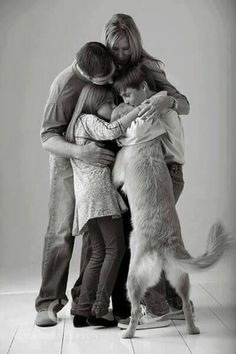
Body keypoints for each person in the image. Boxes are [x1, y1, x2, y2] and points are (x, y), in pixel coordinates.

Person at [71, 13, 190, 326]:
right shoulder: (104, 71)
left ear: (134, 44)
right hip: (123, 170)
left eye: (126, 48)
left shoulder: (145, 71)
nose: (121, 55)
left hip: (155, 170)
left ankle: (152, 306)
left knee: (143, 237)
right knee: (118, 236)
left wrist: (166, 100)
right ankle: (95, 304)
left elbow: (182, 104)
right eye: (116, 49)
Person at [35, 42, 118, 327]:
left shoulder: (98, 63)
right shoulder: (63, 88)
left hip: (94, 159)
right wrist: (83, 153)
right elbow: (47, 138)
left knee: (93, 227)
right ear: (87, 74)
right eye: (104, 80)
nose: (110, 82)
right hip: (68, 159)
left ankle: (84, 301)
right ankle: (47, 303)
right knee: (61, 230)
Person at [111, 62, 192, 329]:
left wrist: (122, 115)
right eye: (122, 97)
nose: (126, 101)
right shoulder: (157, 103)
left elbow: (133, 135)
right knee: (163, 241)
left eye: (128, 95)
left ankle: (156, 311)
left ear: (144, 87)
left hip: (165, 173)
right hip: (168, 172)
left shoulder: (155, 104)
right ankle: (179, 306)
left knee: (152, 241)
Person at [65, 83, 153, 327]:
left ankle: (82, 310)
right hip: (101, 196)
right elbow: (114, 129)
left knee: (99, 254)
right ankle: (100, 309)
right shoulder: (88, 120)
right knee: (116, 249)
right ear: (94, 102)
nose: (114, 107)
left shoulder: (77, 125)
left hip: (87, 199)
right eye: (109, 103)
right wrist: (139, 109)